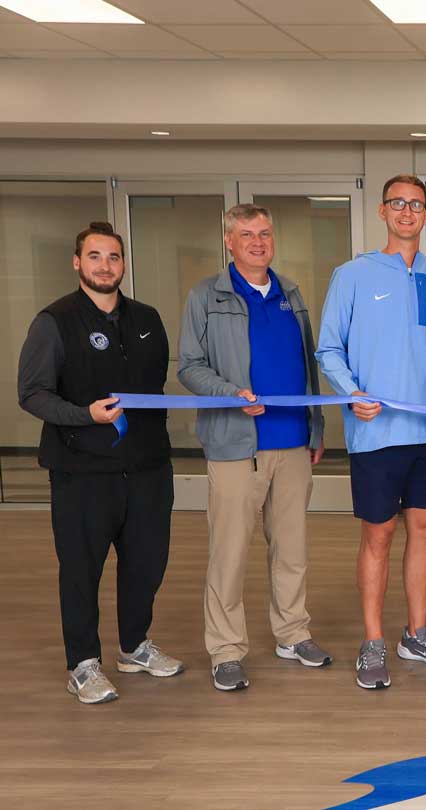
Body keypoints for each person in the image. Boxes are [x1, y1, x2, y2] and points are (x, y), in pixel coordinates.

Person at [17, 221, 183, 704]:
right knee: (81, 569)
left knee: (146, 564)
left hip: (148, 468)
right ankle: (83, 664)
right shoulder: (54, 322)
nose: (105, 266)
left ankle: (133, 647)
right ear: (77, 262)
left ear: (123, 264)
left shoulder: (148, 318)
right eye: (95, 257)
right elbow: (31, 394)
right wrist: (83, 416)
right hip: (82, 471)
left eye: (113, 257)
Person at [316, 174, 426, 689]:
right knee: (378, 534)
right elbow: (328, 347)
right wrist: (351, 391)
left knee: (424, 531)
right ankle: (373, 641)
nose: (407, 212)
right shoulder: (352, 274)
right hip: (376, 434)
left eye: (416, 205)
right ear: (382, 212)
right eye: (397, 203)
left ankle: (417, 633)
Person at [178, 203, 331, 692]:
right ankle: (226, 650)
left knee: (291, 550)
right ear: (229, 241)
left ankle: (292, 632)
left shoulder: (291, 292)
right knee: (229, 553)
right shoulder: (206, 295)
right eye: (247, 234)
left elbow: (309, 366)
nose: (258, 242)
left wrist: (316, 427)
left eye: (265, 233)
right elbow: (189, 366)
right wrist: (230, 395)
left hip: (292, 443)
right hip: (235, 446)